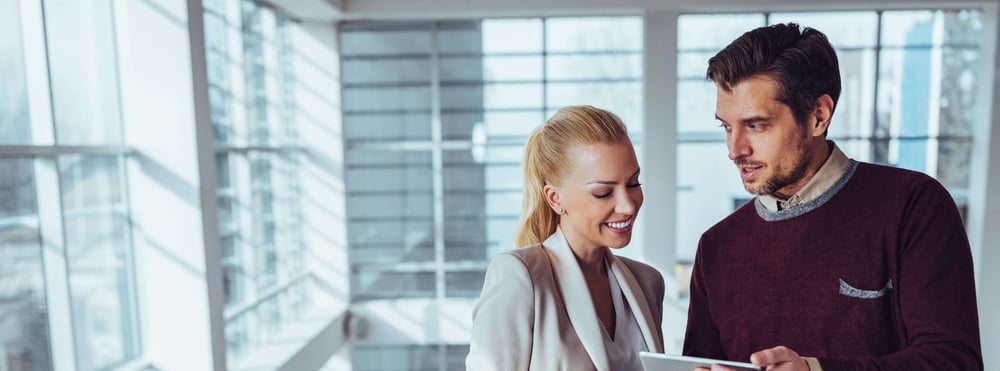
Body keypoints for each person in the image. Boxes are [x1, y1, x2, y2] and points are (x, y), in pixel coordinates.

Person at [683, 23, 983, 370]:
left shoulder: (914, 206)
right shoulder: (716, 247)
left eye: (757, 125)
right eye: (727, 126)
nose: (735, 150)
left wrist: (815, 369)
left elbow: (954, 362)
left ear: (818, 116)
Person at [465, 105, 665, 371]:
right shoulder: (520, 278)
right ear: (555, 198)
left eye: (633, 183)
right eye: (604, 193)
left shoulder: (648, 283)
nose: (628, 205)